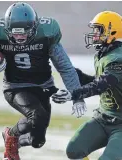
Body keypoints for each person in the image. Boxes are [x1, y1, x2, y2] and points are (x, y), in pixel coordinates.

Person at [0, 2, 86, 160]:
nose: (19, 37)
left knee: (37, 141)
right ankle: (11, 135)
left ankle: (13, 142)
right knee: (37, 115)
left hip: (43, 86)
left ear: (34, 27)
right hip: (15, 87)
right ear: (7, 29)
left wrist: (77, 96)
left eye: (24, 33)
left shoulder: (46, 35)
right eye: (15, 33)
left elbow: (65, 67)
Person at [52, 11, 122, 160]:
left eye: (98, 30)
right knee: (74, 150)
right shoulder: (105, 53)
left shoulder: (118, 58)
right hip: (103, 119)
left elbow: (101, 85)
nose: (94, 34)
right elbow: (97, 81)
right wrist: (72, 72)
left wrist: (74, 94)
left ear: (112, 31)